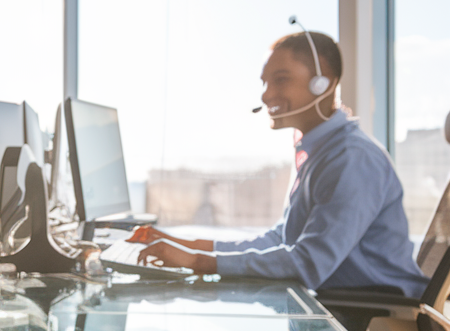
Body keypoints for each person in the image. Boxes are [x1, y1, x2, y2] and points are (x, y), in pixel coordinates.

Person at [128, 30, 428, 298]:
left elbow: (309, 263)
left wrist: (197, 262)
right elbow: (279, 239)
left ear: (321, 83)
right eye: (264, 82)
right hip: (344, 308)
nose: (266, 94)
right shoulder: (318, 151)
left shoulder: (351, 159)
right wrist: (183, 244)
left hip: (375, 319)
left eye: (280, 79)